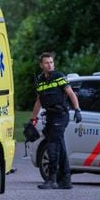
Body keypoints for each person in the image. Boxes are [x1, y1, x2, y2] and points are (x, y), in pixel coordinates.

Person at [30, 52, 82, 190]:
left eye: (51, 62)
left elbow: (71, 93)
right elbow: (38, 101)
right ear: (41, 65)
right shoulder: (40, 81)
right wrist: (33, 119)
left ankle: (52, 179)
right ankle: (65, 180)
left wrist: (77, 110)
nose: (50, 65)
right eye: (47, 63)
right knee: (60, 146)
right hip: (51, 116)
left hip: (60, 115)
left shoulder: (59, 77)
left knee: (53, 145)